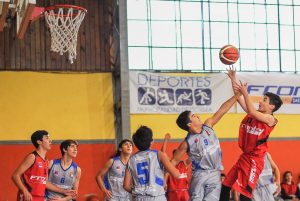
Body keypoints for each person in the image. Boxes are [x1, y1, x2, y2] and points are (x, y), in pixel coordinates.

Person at [220, 68, 283, 201]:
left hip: (255, 160)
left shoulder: (271, 119)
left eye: (264, 100)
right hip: (244, 156)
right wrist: (233, 79)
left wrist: (246, 93)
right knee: (225, 185)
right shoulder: (253, 114)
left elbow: (251, 109)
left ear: (272, 107)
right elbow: (239, 98)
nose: (260, 101)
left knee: (245, 194)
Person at [172, 91, 241, 200]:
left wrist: (238, 95)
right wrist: (162, 177)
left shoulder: (208, 125)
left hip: (215, 173)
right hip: (199, 176)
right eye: (193, 115)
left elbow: (223, 109)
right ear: (190, 124)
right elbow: (173, 161)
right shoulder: (186, 143)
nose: (197, 115)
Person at [123, 126, 181, 201]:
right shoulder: (158, 154)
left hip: (138, 197)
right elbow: (176, 174)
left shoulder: (131, 159)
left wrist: (136, 192)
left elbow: (126, 186)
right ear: (152, 141)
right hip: (156, 197)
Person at [12, 130, 72, 201]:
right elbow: (15, 176)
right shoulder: (32, 157)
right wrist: (24, 190)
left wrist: (63, 191)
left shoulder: (46, 161)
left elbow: (44, 182)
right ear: (39, 142)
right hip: (28, 197)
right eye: (47, 138)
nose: (50, 140)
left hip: (40, 197)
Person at [161, 133, 190, 201]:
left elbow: (193, 157)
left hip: (183, 192)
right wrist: (165, 140)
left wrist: (189, 143)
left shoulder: (184, 163)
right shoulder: (169, 164)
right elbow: (163, 152)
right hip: (172, 192)